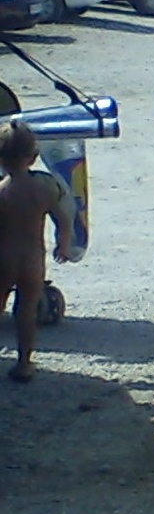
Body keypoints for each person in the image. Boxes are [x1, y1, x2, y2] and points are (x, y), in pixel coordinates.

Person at [0, 121, 73, 381]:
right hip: (33, 261)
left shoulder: (2, 192)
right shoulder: (44, 188)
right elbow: (63, 220)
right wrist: (63, 244)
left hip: (4, 259)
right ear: (34, 157)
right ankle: (24, 363)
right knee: (26, 312)